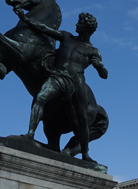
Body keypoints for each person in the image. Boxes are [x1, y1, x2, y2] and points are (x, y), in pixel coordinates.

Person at [14, 9, 107, 162]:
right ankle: (30, 134)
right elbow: (44, 29)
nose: (76, 25)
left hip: (77, 82)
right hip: (58, 76)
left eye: (80, 23)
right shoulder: (67, 37)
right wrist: (25, 18)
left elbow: (104, 75)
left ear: (87, 28)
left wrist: (99, 67)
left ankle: (85, 154)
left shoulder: (93, 51)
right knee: (40, 98)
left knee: (82, 119)